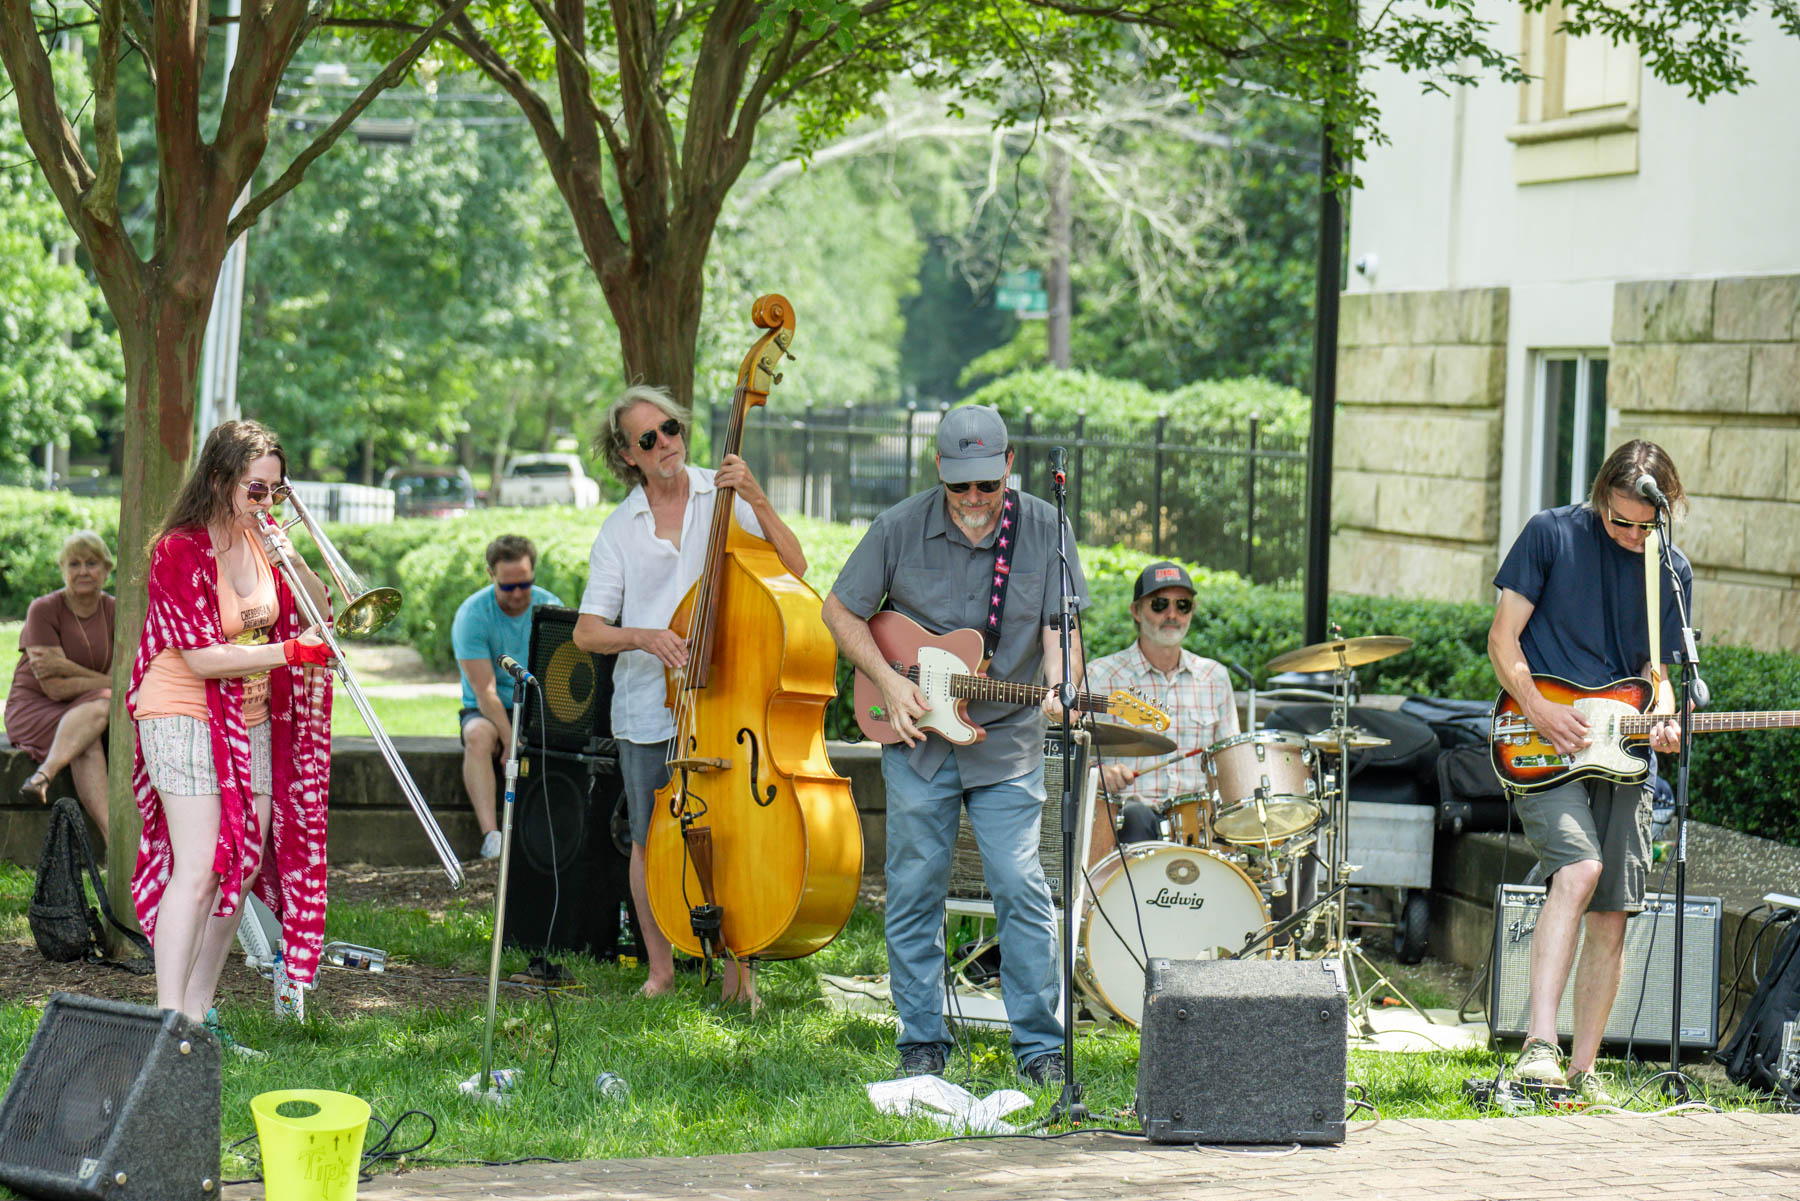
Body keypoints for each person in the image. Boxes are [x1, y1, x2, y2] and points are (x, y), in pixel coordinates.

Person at [822, 404, 1088, 1086]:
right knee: (914, 885)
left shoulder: (1046, 526)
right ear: (939, 469)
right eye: (959, 485)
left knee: (1020, 885)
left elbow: (1063, 628)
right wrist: (887, 679)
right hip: (916, 738)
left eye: (987, 485)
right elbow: (838, 608)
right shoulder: (900, 526)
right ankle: (922, 1039)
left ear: (1008, 468)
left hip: (1006, 741)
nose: (974, 500)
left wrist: (1062, 684)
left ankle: (1039, 1046)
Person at [572, 384, 807, 1006]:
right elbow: (587, 632)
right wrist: (647, 636)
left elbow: (796, 566)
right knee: (651, 837)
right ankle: (661, 969)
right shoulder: (619, 530)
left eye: (670, 428)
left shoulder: (724, 494)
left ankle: (740, 974)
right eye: (647, 439)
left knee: (735, 829)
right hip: (650, 706)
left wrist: (755, 494)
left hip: (730, 696)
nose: (665, 444)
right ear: (628, 456)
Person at [1488, 439, 1689, 1104]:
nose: (1632, 536)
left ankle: (1582, 1072)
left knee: (1613, 912)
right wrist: (1540, 710)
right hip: (1543, 739)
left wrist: (1664, 715)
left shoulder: (1674, 573)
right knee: (1577, 870)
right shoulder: (1550, 533)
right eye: (1619, 521)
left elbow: (1660, 676)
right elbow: (1503, 636)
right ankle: (1538, 1046)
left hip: (1624, 755)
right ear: (1600, 496)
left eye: (1645, 525)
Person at [128, 420, 336, 1047]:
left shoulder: (261, 542)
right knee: (197, 868)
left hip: (246, 715)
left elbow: (325, 612)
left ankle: (198, 1014)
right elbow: (198, 658)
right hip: (182, 708)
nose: (266, 503)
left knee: (240, 870)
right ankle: (167, 1024)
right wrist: (289, 656)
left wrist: (291, 557)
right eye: (255, 490)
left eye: (275, 490)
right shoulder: (179, 549)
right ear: (219, 480)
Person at [1083, 560, 1238, 848]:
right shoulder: (1100, 677)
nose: (1172, 615)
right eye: (1159, 604)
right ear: (1137, 611)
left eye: (1183, 606)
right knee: (1137, 816)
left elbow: (1229, 763)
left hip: (1198, 823)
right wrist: (1097, 772)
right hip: (1127, 818)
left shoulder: (1214, 677)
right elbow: (1071, 751)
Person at [452, 535, 565, 860]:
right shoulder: (472, 615)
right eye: (507, 587)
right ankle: (492, 837)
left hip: (536, 705)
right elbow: (483, 690)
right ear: (491, 576)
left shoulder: (550, 607)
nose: (517, 594)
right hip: (487, 708)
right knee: (477, 737)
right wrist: (509, 739)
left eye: (524, 584)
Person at [9, 531, 118, 841]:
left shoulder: (115, 611)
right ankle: (113, 841)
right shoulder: (43, 609)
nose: (83, 571)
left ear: (107, 569)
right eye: (74, 564)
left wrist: (66, 667)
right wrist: (111, 682)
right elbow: (54, 689)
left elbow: (119, 681)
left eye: (91, 563)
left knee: (100, 710)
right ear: (62, 569)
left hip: (89, 707)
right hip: (36, 706)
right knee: (97, 718)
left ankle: (42, 776)